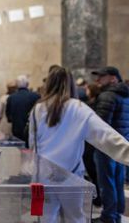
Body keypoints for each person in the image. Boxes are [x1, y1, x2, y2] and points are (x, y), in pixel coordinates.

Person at [28, 66, 129, 223]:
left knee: (46, 219)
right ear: (70, 84)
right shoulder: (79, 108)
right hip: (71, 175)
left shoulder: (38, 108)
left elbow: (32, 143)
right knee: (75, 218)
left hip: (43, 177)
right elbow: (106, 136)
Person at [91, 66, 129, 223]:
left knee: (107, 182)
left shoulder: (108, 96)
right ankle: (117, 213)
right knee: (118, 181)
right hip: (122, 144)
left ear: (114, 78)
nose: (98, 80)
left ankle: (109, 216)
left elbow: (100, 125)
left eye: (102, 76)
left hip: (106, 147)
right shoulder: (125, 95)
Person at [6, 74, 40, 145]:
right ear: (27, 84)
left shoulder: (11, 98)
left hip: (16, 131)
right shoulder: (36, 96)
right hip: (31, 131)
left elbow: (8, 117)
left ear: (17, 85)